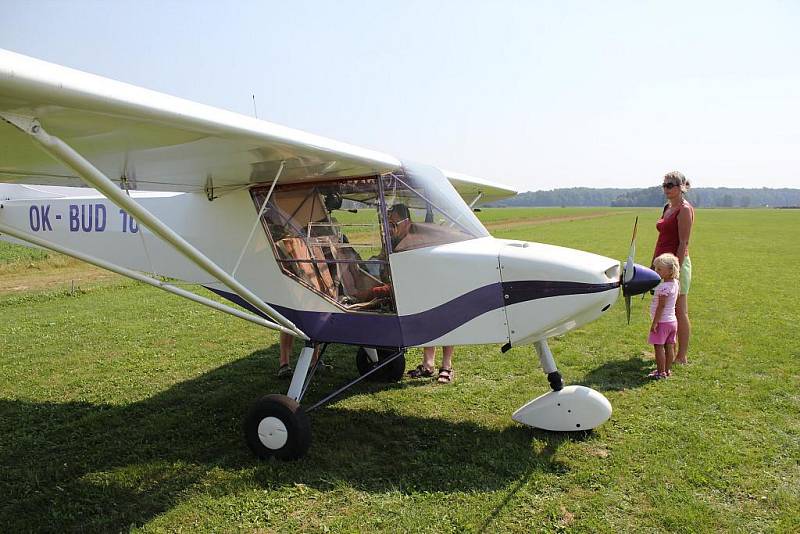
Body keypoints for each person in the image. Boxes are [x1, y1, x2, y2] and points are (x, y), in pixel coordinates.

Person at [652, 171, 694, 364]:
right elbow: (662, 238)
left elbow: (683, 243)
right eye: (664, 185)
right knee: (666, 309)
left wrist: (674, 273)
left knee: (679, 310)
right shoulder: (667, 207)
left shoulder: (684, 210)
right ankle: (671, 349)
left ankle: (681, 356)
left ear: (681, 187)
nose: (666, 189)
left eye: (670, 185)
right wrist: (654, 263)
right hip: (662, 265)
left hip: (677, 265)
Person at [647, 254, 680, 379]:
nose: (656, 271)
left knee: (659, 347)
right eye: (656, 268)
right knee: (669, 346)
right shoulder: (675, 283)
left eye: (660, 269)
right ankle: (667, 370)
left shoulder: (663, 287)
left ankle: (660, 373)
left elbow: (661, 306)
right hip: (672, 321)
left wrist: (655, 322)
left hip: (662, 322)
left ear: (670, 271)